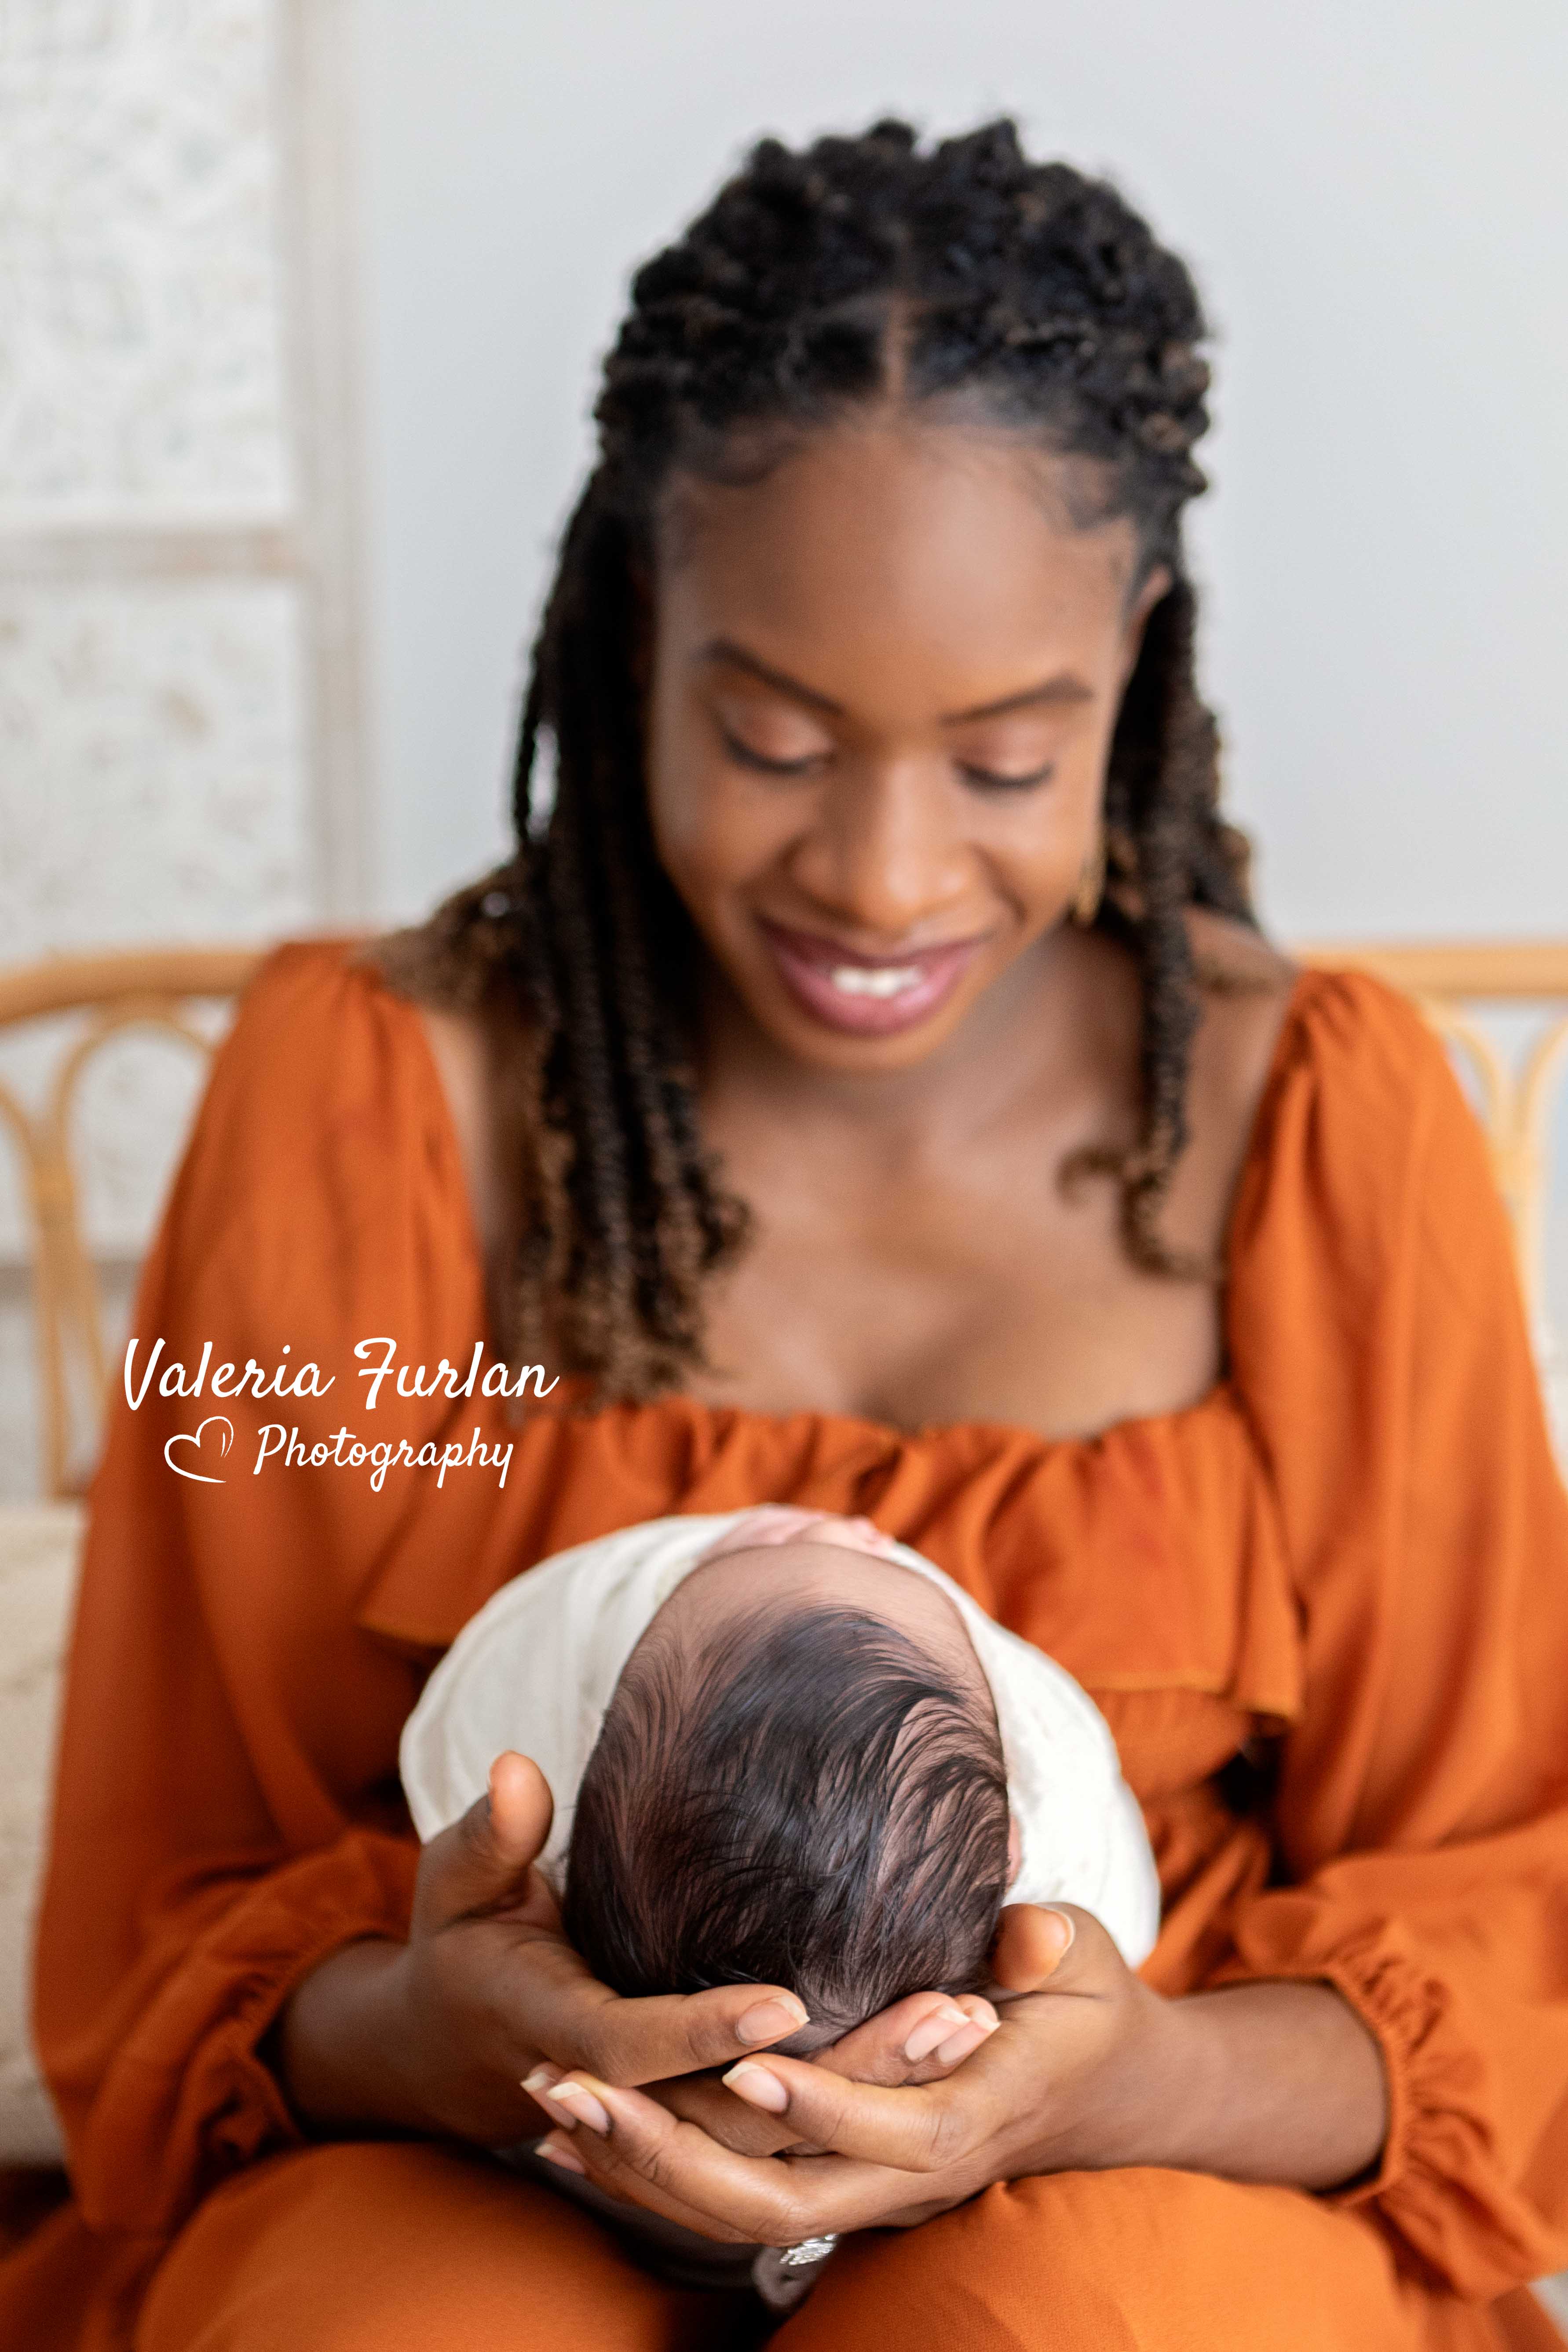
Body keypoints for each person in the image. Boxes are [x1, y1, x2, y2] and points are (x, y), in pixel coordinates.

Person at [2, 116, 1566, 2352]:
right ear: (634, 629)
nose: (882, 876)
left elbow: (1510, 1910)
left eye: (1004, 764)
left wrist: (1123, 2079)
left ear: (1132, 668)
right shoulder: (363, 1102)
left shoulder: (1310, 1123)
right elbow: (167, 1919)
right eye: (770, 732)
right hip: (460, 2164)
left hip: (1142, 2171)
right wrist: (439, 2040)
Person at [399, 1501, 1160, 2309]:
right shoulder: (1064, 1861)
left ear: (583, 1778)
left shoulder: (538, 1728)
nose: (838, 1526)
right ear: (1011, 1847)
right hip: (893, 2225)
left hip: (556, 2180)